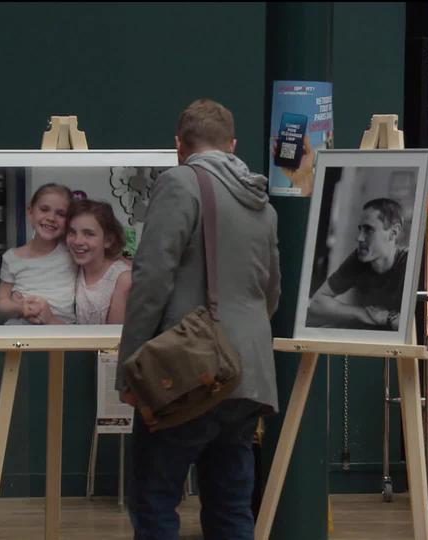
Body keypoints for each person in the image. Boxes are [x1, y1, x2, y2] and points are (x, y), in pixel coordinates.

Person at [117, 98, 281, 539]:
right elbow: (270, 294)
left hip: (187, 372)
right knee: (230, 505)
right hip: (247, 375)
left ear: (178, 145)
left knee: (154, 499)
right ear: (232, 144)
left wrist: (130, 371)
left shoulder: (180, 183)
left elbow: (151, 281)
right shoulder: (261, 202)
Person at [307, 198, 407, 331]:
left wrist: (388, 318)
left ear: (393, 233)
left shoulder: (408, 263)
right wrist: (361, 313)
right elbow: (317, 302)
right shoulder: (358, 259)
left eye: (369, 230)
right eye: (360, 229)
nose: (359, 238)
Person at [0, 183, 76, 325]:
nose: (51, 217)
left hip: (60, 328)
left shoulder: (72, 251)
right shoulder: (11, 258)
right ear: (30, 212)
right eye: (44, 209)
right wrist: (21, 308)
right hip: (21, 325)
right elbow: (2, 303)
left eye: (61, 214)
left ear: (68, 221)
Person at [66, 199, 132, 324]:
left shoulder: (122, 279)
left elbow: (112, 339)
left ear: (108, 240)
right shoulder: (74, 266)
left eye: (89, 234)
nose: (77, 241)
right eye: (72, 232)